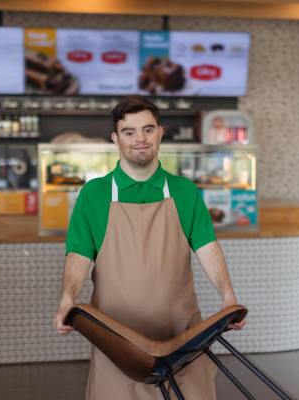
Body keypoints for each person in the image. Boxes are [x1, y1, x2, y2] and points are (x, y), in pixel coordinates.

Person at [53, 95, 246, 399]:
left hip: (183, 336)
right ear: (116, 139)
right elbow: (78, 255)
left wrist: (228, 295)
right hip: (118, 342)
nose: (139, 139)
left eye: (147, 129)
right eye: (129, 132)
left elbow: (207, 247)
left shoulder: (184, 191)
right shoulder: (94, 194)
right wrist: (67, 300)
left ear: (160, 133)